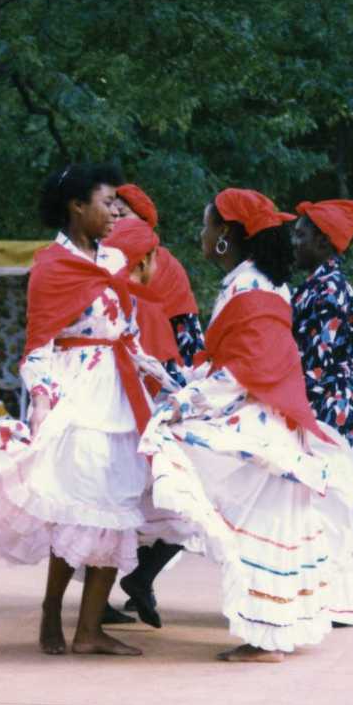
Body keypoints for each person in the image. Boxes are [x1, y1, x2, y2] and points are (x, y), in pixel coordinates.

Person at [139, 188, 353, 662]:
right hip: (273, 418)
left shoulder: (250, 288)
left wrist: (184, 400)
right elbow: (239, 361)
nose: (201, 234)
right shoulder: (260, 282)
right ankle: (269, 631)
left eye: (206, 225)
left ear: (226, 236)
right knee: (266, 527)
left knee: (177, 450)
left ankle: (265, 640)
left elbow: (244, 367)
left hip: (262, 422)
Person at [0, 164, 175, 657]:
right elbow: (37, 344)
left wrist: (164, 383)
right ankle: (51, 611)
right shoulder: (52, 264)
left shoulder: (115, 260)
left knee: (115, 511)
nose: (114, 215)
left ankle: (89, 629)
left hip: (120, 395)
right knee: (76, 512)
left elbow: (127, 330)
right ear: (76, 206)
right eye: (106, 205)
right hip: (76, 393)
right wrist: (40, 400)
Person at [112, 183, 204, 628]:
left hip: (156, 385)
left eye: (122, 209)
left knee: (168, 490)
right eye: (110, 207)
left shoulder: (166, 268)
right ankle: (121, 587)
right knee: (113, 491)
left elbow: (185, 335)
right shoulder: (98, 265)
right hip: (108, 387)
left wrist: (181, 390)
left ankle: (141, 577)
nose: (113, 214)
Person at [291, 199, 353, 539]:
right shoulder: (322, 284)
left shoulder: (328, 289)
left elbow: (317, 361)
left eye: (301, 236)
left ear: (323, 242)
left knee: (320, 501)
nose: (294, 242)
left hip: (329, 401)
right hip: (334, 396)